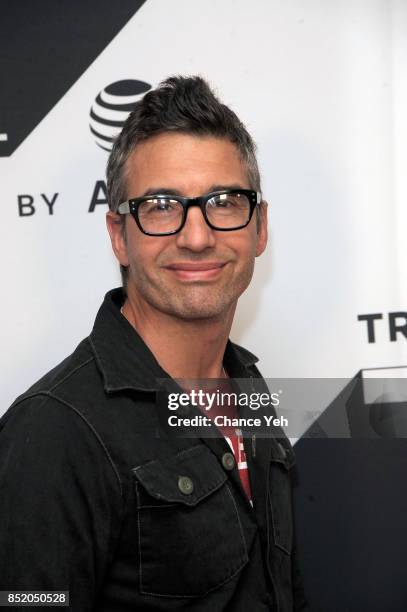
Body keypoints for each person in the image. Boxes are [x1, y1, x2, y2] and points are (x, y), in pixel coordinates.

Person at [0, 76, 307, 611]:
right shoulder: (55, 430)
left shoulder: (247, 384)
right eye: (162, 206)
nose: (197, 236)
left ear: (259, 227)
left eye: (225, 201)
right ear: (119, 234)